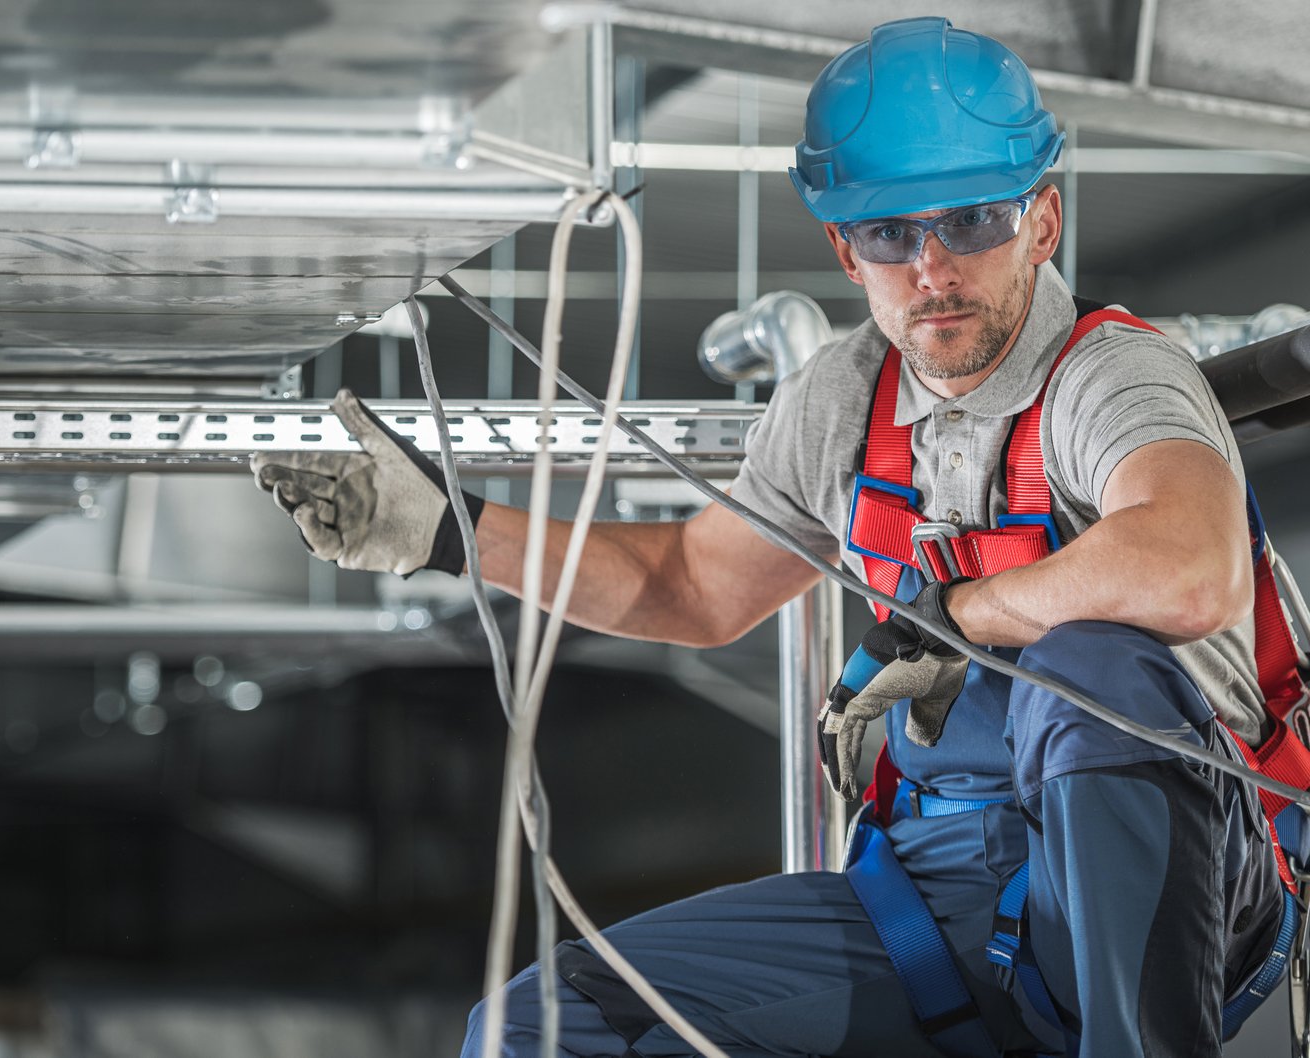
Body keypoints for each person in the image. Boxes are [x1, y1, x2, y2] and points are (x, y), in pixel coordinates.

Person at [252, 17, 1298, 1057]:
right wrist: (449, 531)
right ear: (845, 248)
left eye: (972, 220)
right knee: (538, 1028)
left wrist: (954, 617)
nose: (933, 268)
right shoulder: (840, 401)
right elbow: (693, 583)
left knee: (1093, 664)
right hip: (942, 891)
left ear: (1042, 221)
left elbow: (1186, 570)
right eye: (890, 234)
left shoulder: (1109, 377)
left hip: (1178, 877)